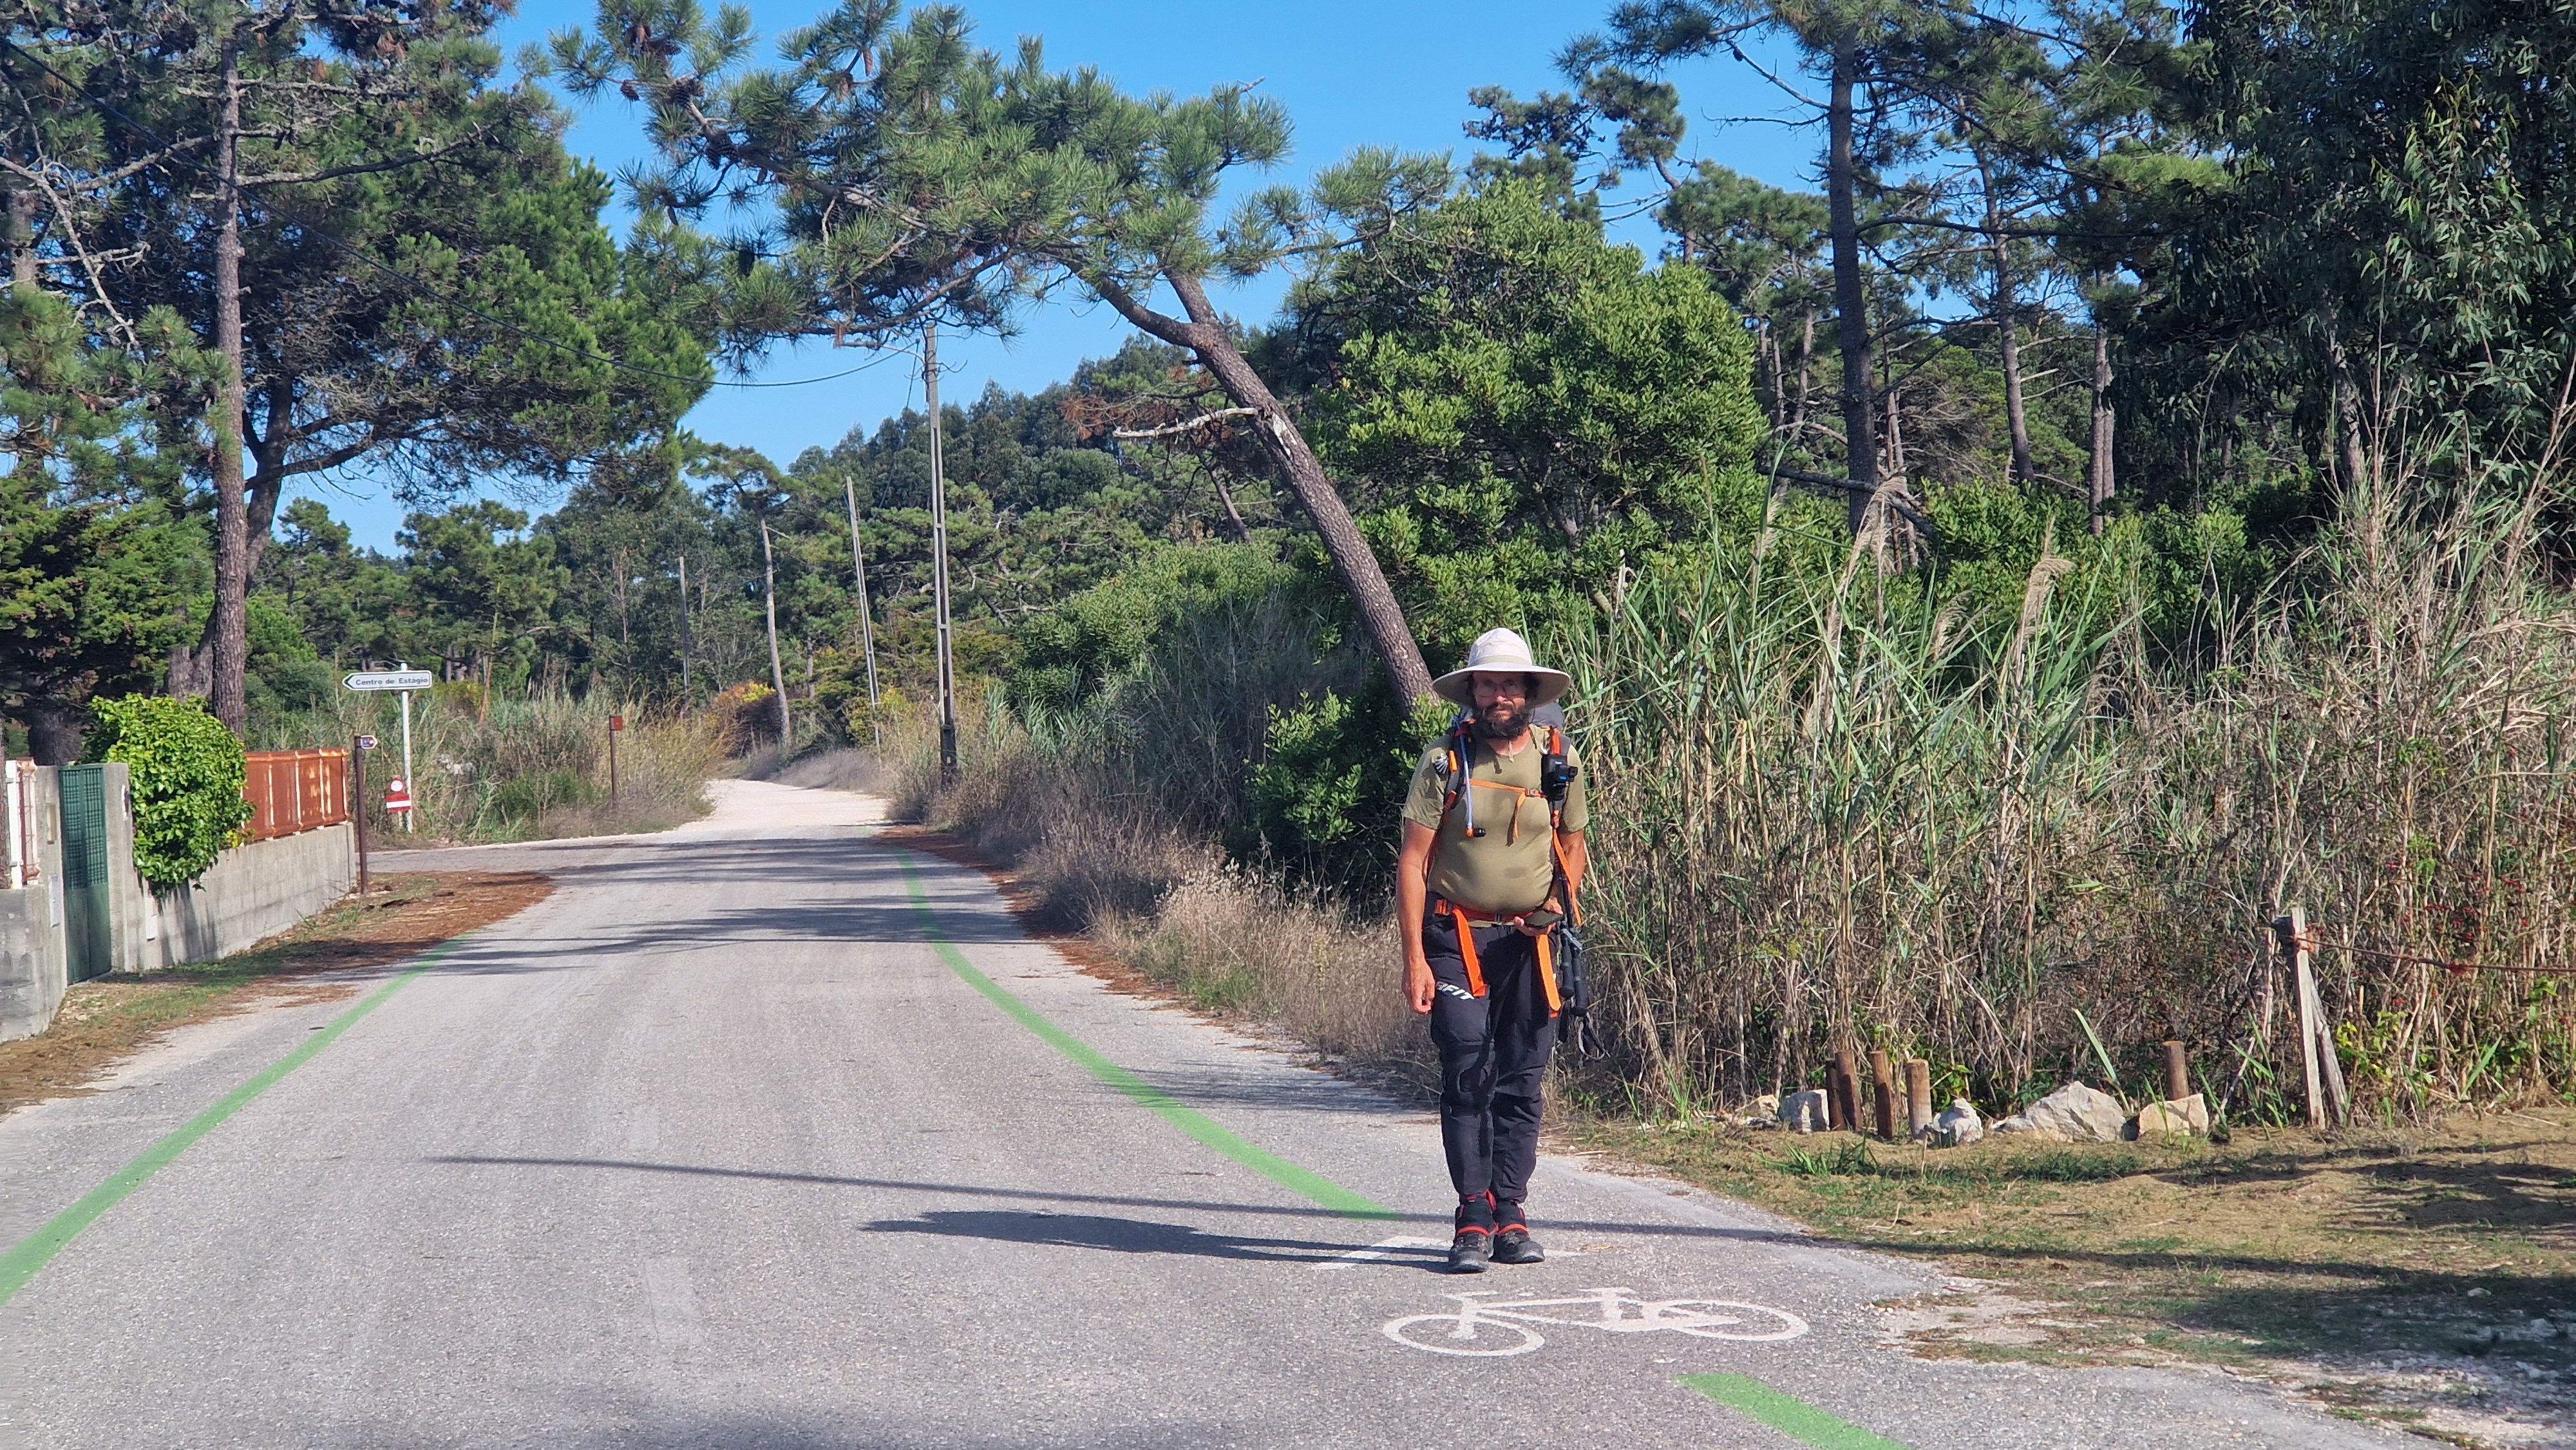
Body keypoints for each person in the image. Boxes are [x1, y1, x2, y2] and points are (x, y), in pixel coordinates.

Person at [1395, 627, 1588, 1274]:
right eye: (1487, 684)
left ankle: (1511, 1213)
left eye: (1510, 684)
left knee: (1522, 1081)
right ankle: (1472, 1217)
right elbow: (1413, 863)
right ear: (1472, 691)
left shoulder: (1558, 759)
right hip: (1456, 938)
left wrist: (1558, 902)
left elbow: (1573, 844)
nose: (1499, 695)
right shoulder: (1443, 762)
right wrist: (1414, 960)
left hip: (1532, 943)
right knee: (1467, 1071)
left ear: (1529, 691)